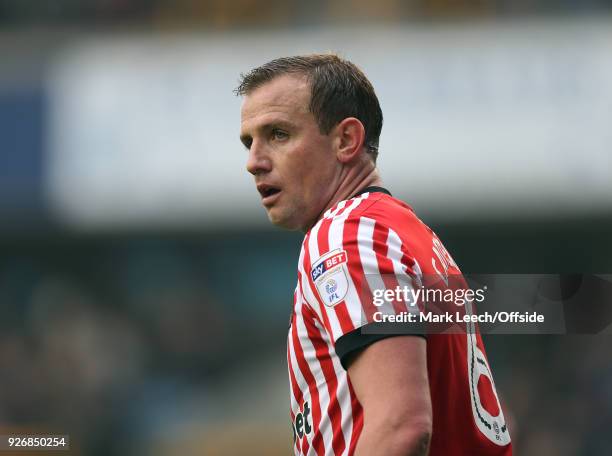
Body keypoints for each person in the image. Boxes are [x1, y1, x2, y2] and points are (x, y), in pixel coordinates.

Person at [236, 54, 512, 456]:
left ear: (346, 139)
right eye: (249, 142)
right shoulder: (404, 232)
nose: (253, 162)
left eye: (278, 134)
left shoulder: (349, 236)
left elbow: (401, 426)